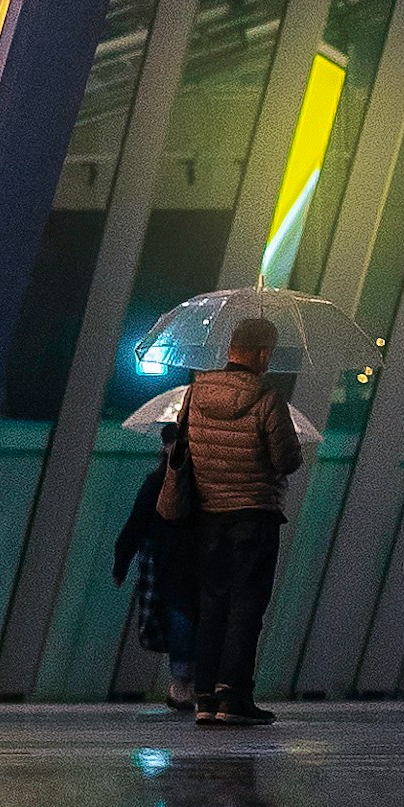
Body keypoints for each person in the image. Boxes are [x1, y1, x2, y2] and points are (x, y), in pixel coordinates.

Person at [176, 311, 305, 726]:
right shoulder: (267, 399)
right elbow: (286, 461)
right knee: (246, 607)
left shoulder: (196, 394)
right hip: (255, 516)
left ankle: (204, 697)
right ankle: (234, 697)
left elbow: (184, 448)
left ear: (231, 348)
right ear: (263, 352)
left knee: (212, 604)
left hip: (209, 515)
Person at [111, 391, 197, 709]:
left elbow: (137, 522)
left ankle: (182, 682)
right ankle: (189, 680)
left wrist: (122, 560)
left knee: (179, 616)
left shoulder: (157, 479)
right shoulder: (197, 482)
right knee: (189, 616)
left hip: (166, 558)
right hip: (192, 558)